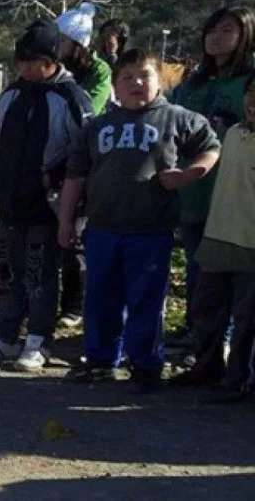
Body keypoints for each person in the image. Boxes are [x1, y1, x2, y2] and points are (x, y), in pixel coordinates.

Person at [58, 49, 220, 393]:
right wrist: (65, 220)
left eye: (144, 75)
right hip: (102, 228)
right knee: (100, 297)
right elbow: (76, 175)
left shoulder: (176, 118)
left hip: (151, 230)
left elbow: (211, 147)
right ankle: (101, 361)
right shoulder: (97, 125)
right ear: (115, 85)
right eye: (127, 77)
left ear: (159, 80)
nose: (136, 83)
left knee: (145, 298)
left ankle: (145, 364)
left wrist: (190, 175)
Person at [0, 19, 93, 370]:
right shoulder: (11, 94)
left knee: (40, 274)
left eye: (33, 60)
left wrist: (54, 181)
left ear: (51, 61)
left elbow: (84, 152)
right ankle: (3, 337)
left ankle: (38, 340)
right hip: (9, 203)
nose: (25, 67)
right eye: (20, 60)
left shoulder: (70, 97)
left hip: (46, 206)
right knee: (7, 272)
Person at [170, 7, 255, 342]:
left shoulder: (248, 82)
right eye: (211, 30)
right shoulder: (193, 82)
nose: (216, 38)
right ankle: (198, 331)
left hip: (234, 190)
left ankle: (228, 340)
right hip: (192, 187)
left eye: (227, 30)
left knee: (231, 272)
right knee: (197, 265)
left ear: (246, 34)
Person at [174, 73, 255, 400]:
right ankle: (207, 367)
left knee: (246, 320)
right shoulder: (233, 133)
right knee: (206, 310)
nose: (254, 100)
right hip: (218, 237)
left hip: (251, 245)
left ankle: (236, 380)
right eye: (251, 92)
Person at [54, 2, 114, 330]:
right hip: (57, 158)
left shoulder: (100, 71)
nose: (57, 47)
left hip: (88, 160)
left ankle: (76, 304)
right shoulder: (55, 71)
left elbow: (91, 106)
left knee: (75, 234)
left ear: (77, 44)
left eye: (62, 41)